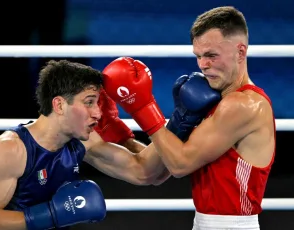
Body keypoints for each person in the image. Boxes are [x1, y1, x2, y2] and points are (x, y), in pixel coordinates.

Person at [102, 6, 275, 230]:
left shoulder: (243, 104)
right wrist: (116, 131)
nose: (203, 65)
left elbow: (179, 164)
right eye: (199, 56)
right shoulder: (216, 101)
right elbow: (158, 169)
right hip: (204, 221)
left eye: (212, 55)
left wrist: (143, 108)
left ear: (240, 52)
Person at [0, 60, 169, 230]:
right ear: (59, 105)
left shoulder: (82, 142)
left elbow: (144, 171)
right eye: (89, 102)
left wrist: (176, 124)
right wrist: (51, 215)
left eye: (98, 104)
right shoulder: (11, 150)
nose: (98, 114)